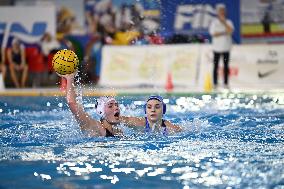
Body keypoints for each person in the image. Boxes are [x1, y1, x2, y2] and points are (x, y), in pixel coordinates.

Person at [61, 73, 181, 137]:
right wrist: (70, 79)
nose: (116, 107)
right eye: (111, 106)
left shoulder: (118, 131)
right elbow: (72, 104)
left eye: (116, 105)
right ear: (102, 112)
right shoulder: (95, 127)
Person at [209, 4, 234, 89]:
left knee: (226, 66)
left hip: (226, 48)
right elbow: (213, 34)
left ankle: (226, 83)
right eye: (220, 11)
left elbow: (230, 31)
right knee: (215, 66)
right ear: (218, 12)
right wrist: (224, 32)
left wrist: (224, 23)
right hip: (216, 48)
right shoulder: (214, 23)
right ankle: (215, 83)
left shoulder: (229, 22)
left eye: (223, 10)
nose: (222, 12)